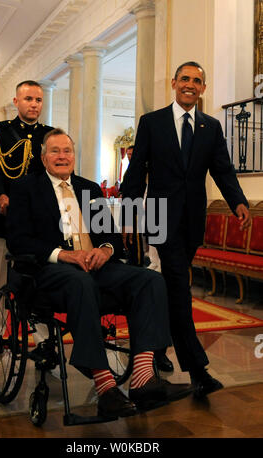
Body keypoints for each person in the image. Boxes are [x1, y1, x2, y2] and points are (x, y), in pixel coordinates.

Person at [6, 128, 193, 419]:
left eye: (67, 151)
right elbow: (18, 240)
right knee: (80, 282)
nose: (62, 156)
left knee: (150, 280)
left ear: (74, 156)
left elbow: (112, 236)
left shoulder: (89, 188)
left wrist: (105, 250)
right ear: (43, 158)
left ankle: (143, 377)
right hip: (49, 270)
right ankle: (105, 386)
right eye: (54, 151)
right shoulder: (25, 188)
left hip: (95, 267)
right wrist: (65, 254)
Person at [122, 61, 251, 398]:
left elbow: (222, 170)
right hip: (160, 218)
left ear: (203, 89)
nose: (190, 85)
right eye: (185, 79)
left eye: (197, 81)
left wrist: (238, 201)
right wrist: (129, 213)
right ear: (173, 83)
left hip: (193, 221)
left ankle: (155, 349)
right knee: (179, 286)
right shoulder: (152, 123)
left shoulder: (210, 127)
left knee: (166, 287)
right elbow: (137, 172)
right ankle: (197, 369)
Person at [0, 80, 53, 321]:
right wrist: (0, 195)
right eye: (28, 99)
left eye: (38, 100)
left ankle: (42, 338)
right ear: (16, 102)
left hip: (35, 221)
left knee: (38, 279)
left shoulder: (49, 135)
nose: (34, 104)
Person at [120, 145, 144, 267]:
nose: (130, 156)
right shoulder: (130, 168)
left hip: (135, 206)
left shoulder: (140, 168)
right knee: (126, 235)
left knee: (134, 236)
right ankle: (131, 259)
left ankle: (137, 262)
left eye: (131, 154)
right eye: (128, 154)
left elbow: (138, 189)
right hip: (126, 205)